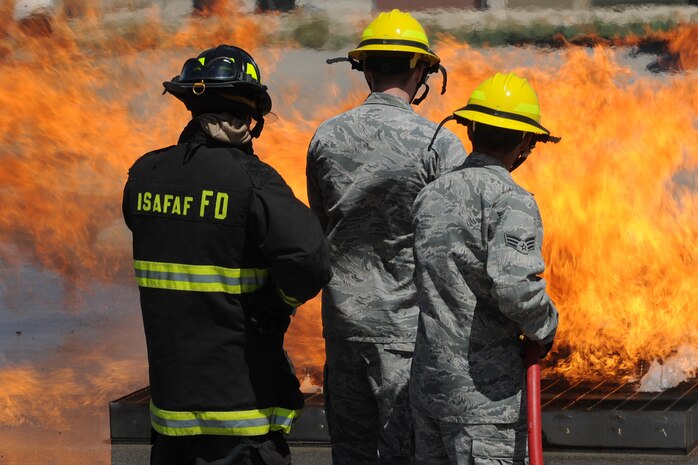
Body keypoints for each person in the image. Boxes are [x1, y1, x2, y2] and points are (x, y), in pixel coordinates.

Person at [122, 44, 332, 465]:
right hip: (241, 417)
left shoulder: (143, 175)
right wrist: (279, 301)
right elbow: (310, 258)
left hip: (171, 417)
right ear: (250, 116)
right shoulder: (252, 182)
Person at [306, 9, 467, 465]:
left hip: (343, 328)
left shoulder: (326, 137)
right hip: (407, 335)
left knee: (353, 453)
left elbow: (324, 225)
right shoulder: (439, 143)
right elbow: (451, 246)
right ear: (422, 70)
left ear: (365, 69)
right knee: (410, 452)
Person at [409, 72, 560, 465]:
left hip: (430, 392)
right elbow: (516, 290)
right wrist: (546, 326)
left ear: (471, 129)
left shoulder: (429, 195)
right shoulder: (511, 200)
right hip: (485, 405)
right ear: (526, 141)